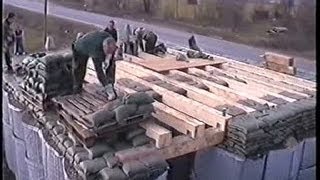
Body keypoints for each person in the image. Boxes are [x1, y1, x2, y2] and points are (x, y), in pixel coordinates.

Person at [71, 30, 118, 100]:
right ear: (103, 48)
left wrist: (108, 59)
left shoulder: (110, 39)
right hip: (80, 48)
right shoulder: (96, 49)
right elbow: (99, 71)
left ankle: (110, 84)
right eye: (106, 52)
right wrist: (108, 90)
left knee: (111, 65)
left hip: (92, 41)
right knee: (80, 68)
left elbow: (111, 63)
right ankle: (77, 88)